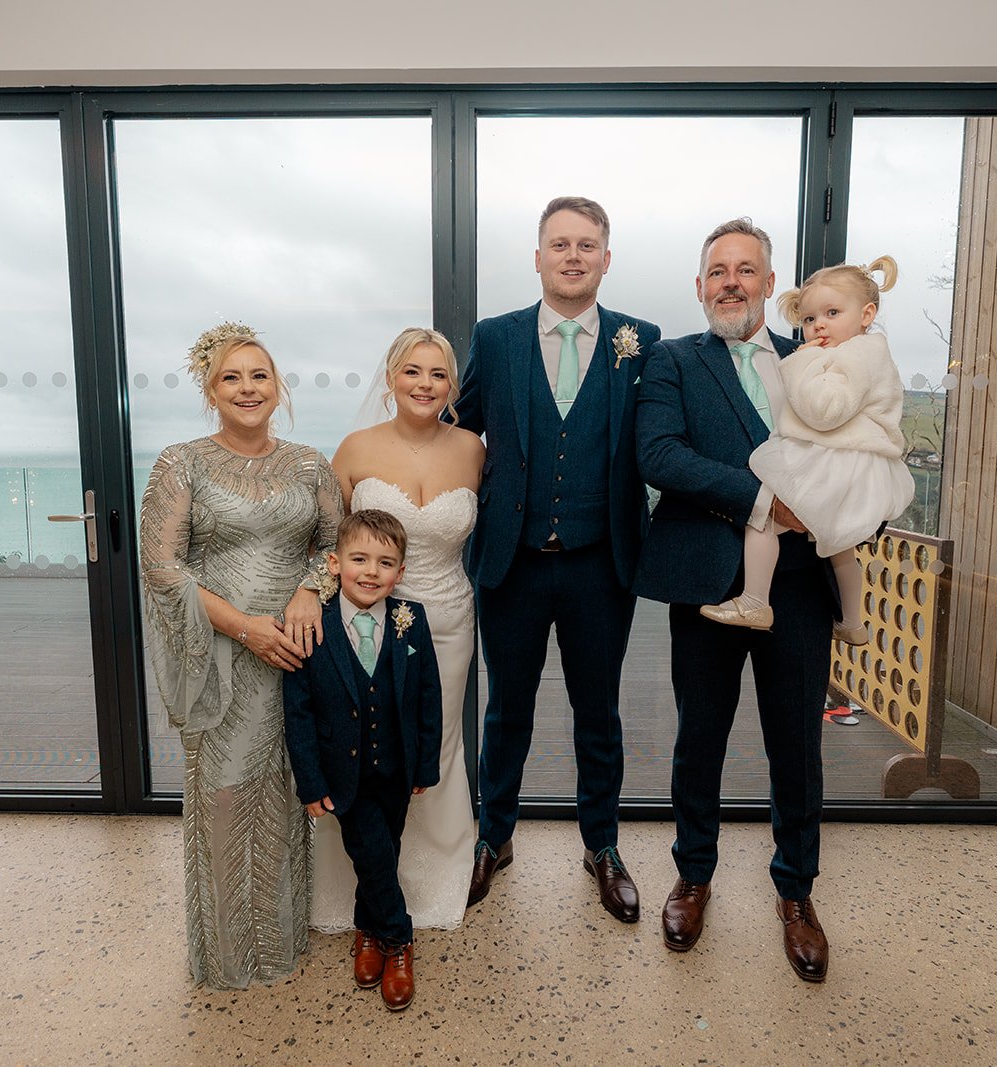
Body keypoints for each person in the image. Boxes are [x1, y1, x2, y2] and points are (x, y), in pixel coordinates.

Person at [634, 219, 839, 982]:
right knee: (701, 739)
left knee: (798, 747)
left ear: (769, 285)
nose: (730, 281)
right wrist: (764, 501)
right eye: (716, 270)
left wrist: (848, 508)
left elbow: (858, 450)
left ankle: (796, 893)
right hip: (708, 582)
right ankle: (694, 874)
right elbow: (659, 454)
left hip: (801, 590)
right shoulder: (673, 362)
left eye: (745, 269)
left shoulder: (815, 362)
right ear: (698, 286)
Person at [452, 196, 661, 923]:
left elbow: (657, 441)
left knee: (597, 713)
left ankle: (601, 845)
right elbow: (457, 429)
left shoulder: (643, 339)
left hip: (602, 566)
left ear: (606, 257)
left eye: (587, 245)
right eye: (560, 244)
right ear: (538, 257)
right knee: (506, 711)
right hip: (510, 561)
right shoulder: (497, 336)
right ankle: (494, 838)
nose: (573, 256)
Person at [140, 321, 342, 989]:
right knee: (226, 794)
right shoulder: (182, 463)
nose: (247, 387)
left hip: (295, 653)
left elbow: (333, 545)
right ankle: (229, 951)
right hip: (222, 655)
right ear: (210, 388)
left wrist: (312, 591)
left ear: (278, 386)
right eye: (232, 376)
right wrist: (244, 626)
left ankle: (281, 940)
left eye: (259, 375)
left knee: (287, 791)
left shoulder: (311, 463)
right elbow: (162, 567)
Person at [312, 327, 483, 933]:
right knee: (367, 752)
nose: (425, 384)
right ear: (391, 378)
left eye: (438, 374)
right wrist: (312, 597)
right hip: (367, 624)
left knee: (435, 746)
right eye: (413, 371)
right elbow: (323, 541)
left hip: (449, 620)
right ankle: (366, 889)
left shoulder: (472, 450)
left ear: (452, 386)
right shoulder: (355, 449)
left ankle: (432, 877)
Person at [701, 256, 915, 639]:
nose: (819, 326)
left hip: (841, 462)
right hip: (855, 462)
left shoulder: (855, 355)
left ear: (867, 314)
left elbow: (826, 410)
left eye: (832, 313)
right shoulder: (862, 352)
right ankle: (852, 622)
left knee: (763, 516)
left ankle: (754, 600)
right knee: (840, 547)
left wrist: (802, 364)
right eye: (810, 318)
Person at [283, 509, 444, 1013]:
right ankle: (399, 940)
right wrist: (310, 784)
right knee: (370, 851)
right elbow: (299, 713)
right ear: (334, 563)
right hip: (341, 775)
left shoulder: (411, 620)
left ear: (401, 571)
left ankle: (366, 931)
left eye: (385, 562)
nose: (371, 572)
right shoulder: (313, 626)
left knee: (382, 853)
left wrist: (424, 767)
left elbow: (428, 698)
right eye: (359, 559)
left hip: (397, 771)